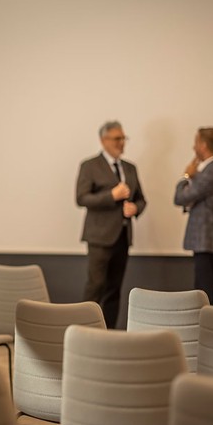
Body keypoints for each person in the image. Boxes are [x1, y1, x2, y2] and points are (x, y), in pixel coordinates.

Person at [76, 121, 147, 329]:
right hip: (99, 237)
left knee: (114, 289)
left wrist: (135, 208)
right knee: (95, 287)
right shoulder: (89, 166)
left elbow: (141, 199)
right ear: (103, 140)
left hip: (123, 237)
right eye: (117, 138)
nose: (121, 142)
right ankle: (83, 332)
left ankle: (108, 335)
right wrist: (111, 195)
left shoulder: (130, 168)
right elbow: (81, 198)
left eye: (123, 138)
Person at [174, 127, 213, 304]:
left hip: (207, 239)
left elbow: (180, 198)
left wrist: (186, 175)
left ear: (203, 145)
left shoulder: (211, 172)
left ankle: (207, 322)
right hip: (212, 239)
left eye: (196, 142)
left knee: (205, 292)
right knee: (208, 289)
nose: (194, 147)